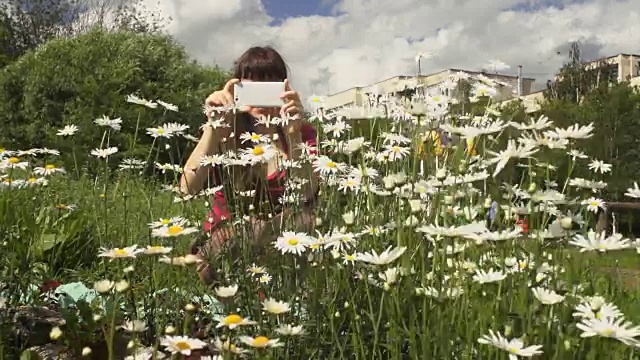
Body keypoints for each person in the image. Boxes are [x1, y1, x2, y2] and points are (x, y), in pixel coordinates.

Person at [180, 46, 319, 284]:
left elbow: (307, 192)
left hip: (285, 237)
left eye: (269, 87)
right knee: (249, 233)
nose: (261, 101)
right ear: (237, 90)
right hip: (229, 238)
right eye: (252, 88)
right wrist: (214, 128)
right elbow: (187, 188)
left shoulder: (301, 132)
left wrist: (293, 135)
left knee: (305, 222)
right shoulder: (227, 131)